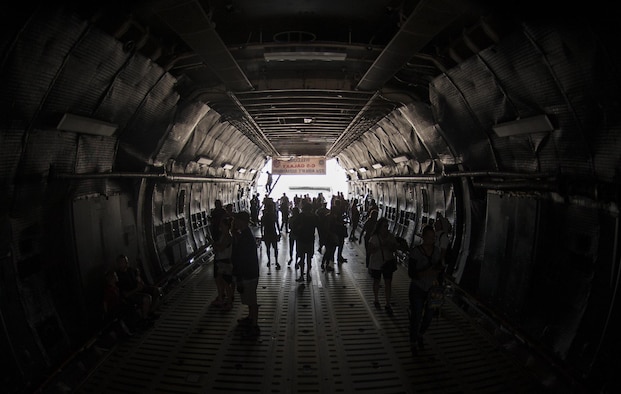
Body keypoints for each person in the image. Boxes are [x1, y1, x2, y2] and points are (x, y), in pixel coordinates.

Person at [408, 224, 443, 354]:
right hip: (417, 288)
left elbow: (440, 269)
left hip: (432, 289)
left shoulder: (437, 251)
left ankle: (420, 334)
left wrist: (439, 284)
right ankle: (413, 342)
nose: (431, 240)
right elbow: (411, 273)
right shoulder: (416, 252)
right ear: (423, 237)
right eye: (429, 237)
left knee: (429, 316)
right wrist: (425, 272)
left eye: (433, 238)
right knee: (416, 316)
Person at [231, 211, 261, 339]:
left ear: (242, 222)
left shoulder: (246, 237)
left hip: (248, 274)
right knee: (249, 298)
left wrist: (239, 277)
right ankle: (250, 318)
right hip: (250, 272)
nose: (235, 223)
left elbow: (243, 258)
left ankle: (254, 325)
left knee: (252, 300)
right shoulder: (245, 234)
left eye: (237, 221)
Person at [367, 217, 401, 314]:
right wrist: (380, 246)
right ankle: (376, 299)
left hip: (387, 262)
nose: (386, 228)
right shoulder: (374, 237)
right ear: (379, 227)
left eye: (387, 226)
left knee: (388, 283)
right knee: (377, 281)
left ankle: (387, 303)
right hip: (376, 263)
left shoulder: (390, 237)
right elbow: (370, 250)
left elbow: (395, 248)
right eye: (384, 226)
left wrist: (390, 246)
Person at [115, 254, 156, 321]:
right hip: (131, 294)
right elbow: (125, 294)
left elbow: (137, 279)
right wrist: (137, 289)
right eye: (124, 262)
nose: (127, 263)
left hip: (137, 290)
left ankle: (149, 311)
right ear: (119, 264)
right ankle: (144, 318)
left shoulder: (130, 270)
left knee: (155, 290)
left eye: (127, 261)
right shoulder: (119, 276)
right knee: (147, 298)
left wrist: (140, 281)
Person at [290, 201, 318, 282]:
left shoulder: (300, 216)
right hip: (310, 239)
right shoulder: (313, 216)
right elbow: (318, 225)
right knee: (309, 258)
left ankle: (302, 275)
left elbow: (294, 226)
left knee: (302, 258)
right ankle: (308, 274)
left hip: (301, 239)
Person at [212, 215, 235, 311]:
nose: (220, 227)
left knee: (226, 284)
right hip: (220, 260)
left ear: (226, 226)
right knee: (219, 282)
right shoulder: (224, 236)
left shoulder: (228, 237)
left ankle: (229, 302)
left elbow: (221, 248)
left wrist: (212, 243)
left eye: (221, 225)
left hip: (224, 262)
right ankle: (221, 299)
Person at [260, 201, 281, 270]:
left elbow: (262, 226)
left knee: (268, 248)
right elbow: (277, 224)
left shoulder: (264, 216)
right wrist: (279, 232)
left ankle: (269, 260)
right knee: (275, 248)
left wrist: (262, 234)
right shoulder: (274, 215)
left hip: (267, 233)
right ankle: (276, 261)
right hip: (273, 232)